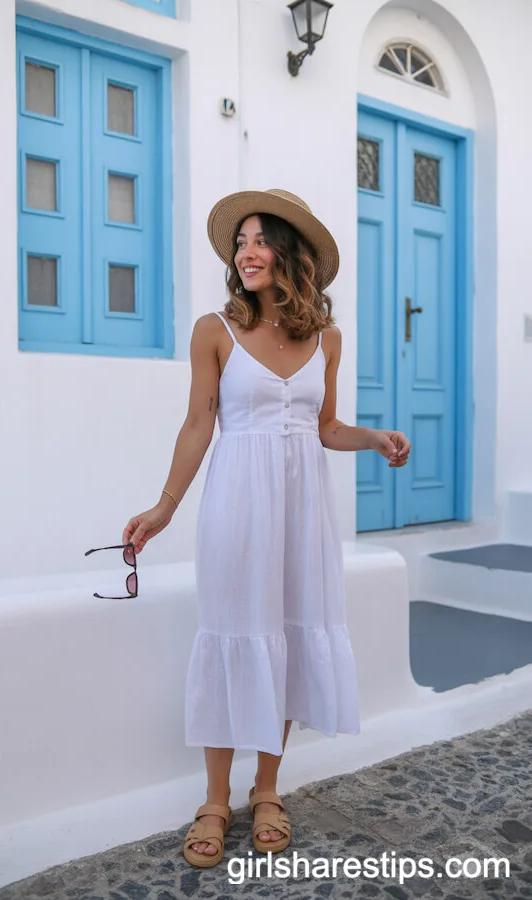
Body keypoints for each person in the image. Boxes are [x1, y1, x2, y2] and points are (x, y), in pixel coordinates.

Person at [122, 189, 411, 869]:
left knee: (285, 637)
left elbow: (324, 427)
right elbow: (199, 424)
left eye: (260, 240)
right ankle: (214, 799)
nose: (246, 253)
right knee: (234, 636)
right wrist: (164, 506)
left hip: (304, 510)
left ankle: (268, 788)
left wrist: (374, 438)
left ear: (290, 253)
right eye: (240, 242)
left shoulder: (326, 338)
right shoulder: (214, 330)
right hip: (237, 503)